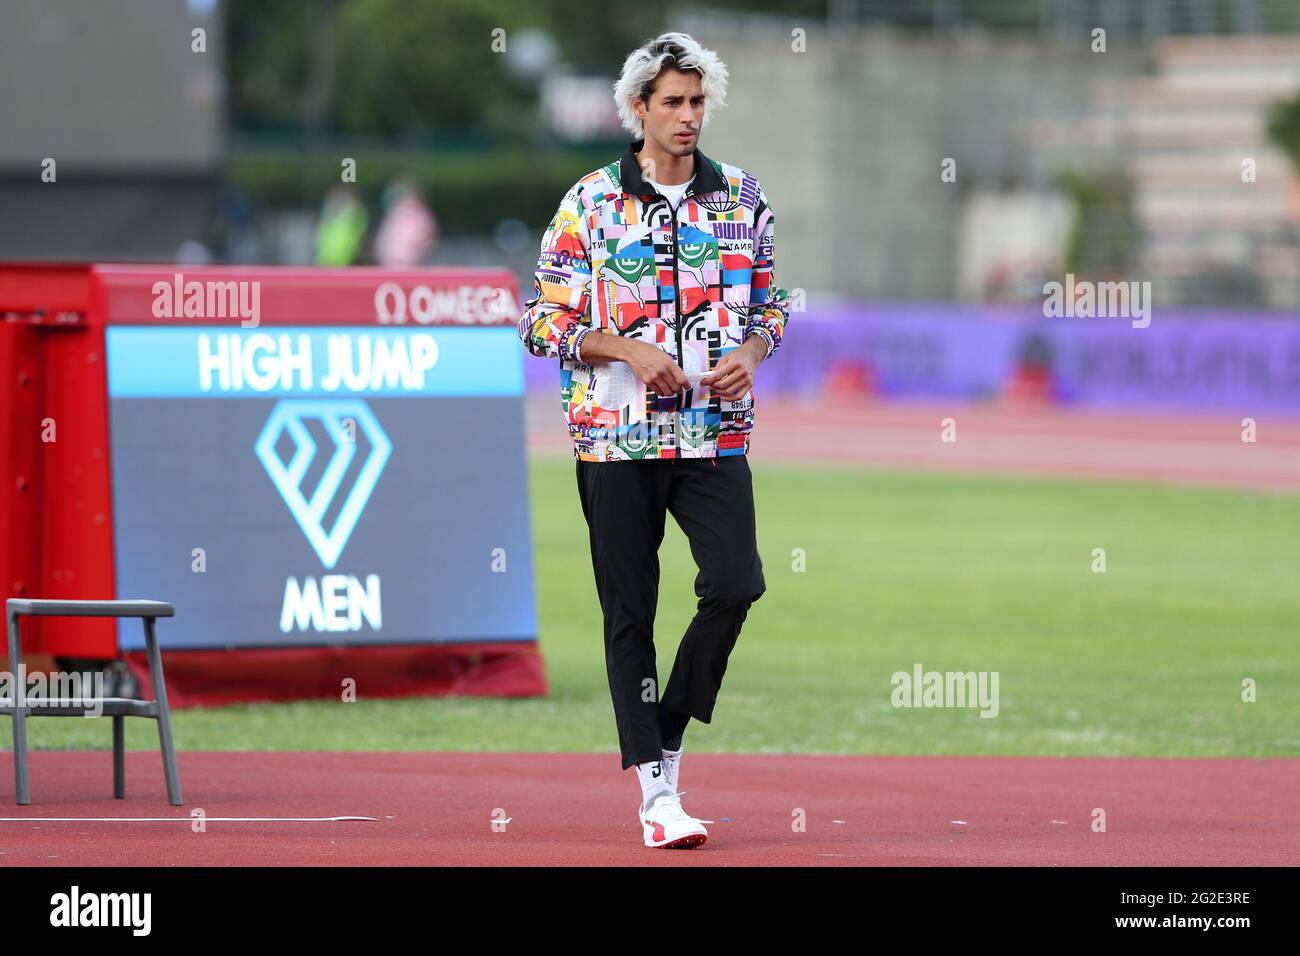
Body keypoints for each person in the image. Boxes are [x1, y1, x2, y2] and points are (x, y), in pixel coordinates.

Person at [518, 32, 791, 849]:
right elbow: (541, 320)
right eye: (671, 101)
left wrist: (749, 353)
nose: (687, 115)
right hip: (615, 438)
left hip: (713, 434)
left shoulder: (742, 198)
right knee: (629, 613)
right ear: (637, 108)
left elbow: (771, 309)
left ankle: (665, 730)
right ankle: (656, 795)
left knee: (737, 583)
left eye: (697, 101)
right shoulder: (590, 202)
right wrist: (628, 348)